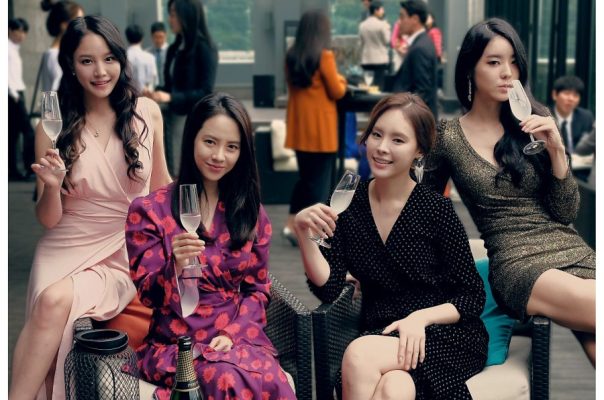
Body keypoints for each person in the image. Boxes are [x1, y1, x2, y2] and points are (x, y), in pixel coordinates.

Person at [9, 15, 172, 400]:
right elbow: (49, 220)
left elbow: (162, 189)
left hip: (124, 251)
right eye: (87, 61)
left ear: (120, 59)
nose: (100, 71)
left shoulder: (147, 112)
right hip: (65, 248)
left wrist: (177, 248)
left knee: (54, 301)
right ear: (70, 65)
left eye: (108, 59)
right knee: (52, 304)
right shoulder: (52, 126)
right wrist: (51, 188)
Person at [294, 92, 488, 399]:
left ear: (419, 150)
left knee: (358, 356)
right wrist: (304, 235)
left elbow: (472, 296)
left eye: (398, 140)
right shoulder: (349, 203)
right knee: (394, 387)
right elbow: (330, 288)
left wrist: (420, 318)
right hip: (382, 330)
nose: (382, 148)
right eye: (377, 134)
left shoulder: (436, 209)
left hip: (442, 335)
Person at [425, 18, 595, 367]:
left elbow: (565, 213)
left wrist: (557, 151)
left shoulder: (535, 121)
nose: (507, 72)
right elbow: (422, 209)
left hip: (570, 247)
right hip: (517, 263)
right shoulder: (448, 137)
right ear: (470, 68)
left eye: (514, 62)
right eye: (494, 62)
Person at [125, 92, 296, 400]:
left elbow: (257, 290)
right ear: (192, 138)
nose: (219, 156)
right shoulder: (150, 210)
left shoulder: (250, 213)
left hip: (236, 339)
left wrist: (232, 333)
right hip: (179, 343)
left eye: (231, 147)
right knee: (226, 378)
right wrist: (174, 267)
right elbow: (148, 296)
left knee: (269, 380)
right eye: (210, 142)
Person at [282, 9, 347, 246]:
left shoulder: (292, 56)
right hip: (321, 132)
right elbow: (337, 91)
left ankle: (291, 225)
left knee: (305, 180)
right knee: (319, 186)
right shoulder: (324, 56)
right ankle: (315, 234)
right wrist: (343, 80)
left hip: (300, 131)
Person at [148, 0, 218, 176]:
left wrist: (171, 97)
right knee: (170, 170)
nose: (169, 19)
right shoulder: (174, 49)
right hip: (171, 117)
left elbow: (206, 91)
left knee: (183, 171)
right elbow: (171, 86)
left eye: (173, 14)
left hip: (190, 119)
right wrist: (156, 93)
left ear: (186, 16)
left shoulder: (205, 48)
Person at [392, 0, 439, 121]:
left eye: (402, 17)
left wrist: (405, 119)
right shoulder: (421, 42)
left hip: (417, 122)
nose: (399, 22)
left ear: (415, 19)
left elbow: (422, 92)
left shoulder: (420, 48)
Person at [8, 17, 35, 181]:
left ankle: (13, 171)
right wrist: (15, 95)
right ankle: (30, 167)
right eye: (19, 31)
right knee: (28, 131)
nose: (22, 35)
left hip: (16, 93)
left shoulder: (13, 49)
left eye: (25, 32)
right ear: (10, 31)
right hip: (13, 95)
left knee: (13, 134)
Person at [39, 0, 84, 92]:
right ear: (64, 25)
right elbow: (55, 91)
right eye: (78, 22)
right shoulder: (55, 55)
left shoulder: (57, 53)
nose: (83, 27)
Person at [550, 75, 594, 155]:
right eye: (567, 93)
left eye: (575, 95)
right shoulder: (545, 115)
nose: (571, 99)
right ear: (554, 95)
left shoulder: (586, 117)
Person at [359, 0, 391, 90]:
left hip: (366, 59)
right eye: (382, 9)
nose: (383, 12)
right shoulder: (383, 24)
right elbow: (387, 41)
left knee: (367, 86)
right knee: (379, 87)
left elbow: (361, 42)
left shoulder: (362, 25)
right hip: (380, 60)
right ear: (376, 11)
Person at [125, 23, 157, 93]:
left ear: (127, 38)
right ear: (142, 38)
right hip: (146, 95)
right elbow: (152, 80)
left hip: (127, 95)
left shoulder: (123, 57)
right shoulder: (149, 57)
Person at [146, 21, 168, 88]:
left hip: (168, 88)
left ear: (166, 35)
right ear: (151, 36)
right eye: (156, 37)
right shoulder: (147, 53)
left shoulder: (171, 51)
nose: (159, 40)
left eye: (161, 37)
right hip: (153, 89)